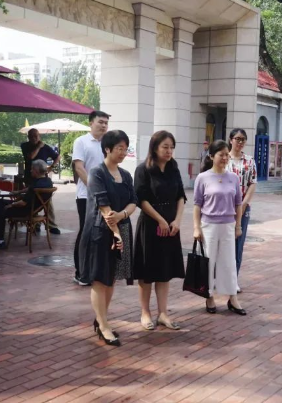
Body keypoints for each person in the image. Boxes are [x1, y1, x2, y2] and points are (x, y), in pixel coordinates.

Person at [79, 130, 137, 347]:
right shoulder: (97, 173)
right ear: (107, 149)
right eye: (119, 148)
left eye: (125, 149)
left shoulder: (126, 175)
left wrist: (122, 216)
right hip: (100, 233)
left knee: (111, 278)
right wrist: (116, 232)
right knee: (99, 279)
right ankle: (103, 326)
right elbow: (104, 208)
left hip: (121, 228)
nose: (123, 152)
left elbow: (134, 201)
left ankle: (100, 319)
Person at [133, 131, 186, 331]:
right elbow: (141, 200)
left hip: (171, 227)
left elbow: (181, 195)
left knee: (165, 271)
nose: (169, 151)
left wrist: (177, 220)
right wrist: (160, 220)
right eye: (165, 147)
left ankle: (163, 313)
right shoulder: (143, 169)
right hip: (150, 225)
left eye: (172, 147)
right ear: (154, 147)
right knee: (147, 272)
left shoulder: (173, 168)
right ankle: (145, 313)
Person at [193, 140, 246, 316]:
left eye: (226, 155)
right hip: (209, 225)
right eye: (220, 154)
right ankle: (208, 296)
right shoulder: (203, 178)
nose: (224, 158)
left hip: (228, 225)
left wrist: (238, 225)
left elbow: (238, 204)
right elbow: (197, 205)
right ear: (211, 156)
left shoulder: (234, 178)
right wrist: (196, 228)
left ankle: (232, 297)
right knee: (209, 261)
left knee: (229, 262)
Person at [72, 110, 110, 285]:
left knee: (101, 232)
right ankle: (80, 272)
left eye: (106, 123)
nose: (103, 125)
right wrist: (94, 189)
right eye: (100, 122)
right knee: (85, 232)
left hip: (105, 196)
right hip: (85, 196)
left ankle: (96, 270)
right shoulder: (81, 141)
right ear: (90, 123)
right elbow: (79, 168)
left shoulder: (108, 144)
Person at [0, 160, 53, 249]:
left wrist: (11, 205)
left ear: (36, 171)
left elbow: (23, 203)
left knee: (0, 211)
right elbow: (29, 189)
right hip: (34, 208)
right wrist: (18, 192)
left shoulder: (35, 186)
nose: (30, 171)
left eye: (32, 169)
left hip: (25, 210)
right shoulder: (47, 181)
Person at [226, 129, 257, 287]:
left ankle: (233, 281)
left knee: (238, 245)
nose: (240, 142)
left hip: (243, 209)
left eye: (243, 139)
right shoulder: (224, 159)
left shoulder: (249, 161)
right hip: (224, 209)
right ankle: (220, 278)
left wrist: (243, 205)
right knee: (224, 245)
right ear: (230, 140)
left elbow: (252, 183)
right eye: (237, 138)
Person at [20, 128, 61, 235]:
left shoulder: (46, 147)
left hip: (43, 178)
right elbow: (31, 157)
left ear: (39, 136)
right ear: (28, 137)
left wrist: (51, 167)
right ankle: (35, 224)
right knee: (32, 200)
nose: (34, 138)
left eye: (36, 136)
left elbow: (57, 156)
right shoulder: (25, 146)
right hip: (30, 177)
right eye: (31, 136)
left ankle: (51, 225)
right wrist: (38, 147)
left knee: (47, 201)